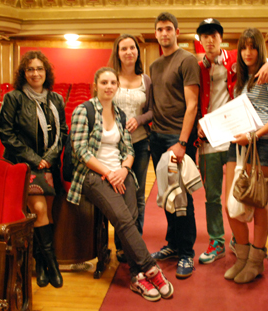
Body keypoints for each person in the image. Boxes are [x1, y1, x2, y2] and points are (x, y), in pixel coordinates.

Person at [67, 67, 173, 302]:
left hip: (120, 173)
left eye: (112, 83)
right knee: (124, 219)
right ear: (96, 85)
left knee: (131, 219)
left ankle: (137, 277)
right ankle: (151, 269)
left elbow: (128, 150)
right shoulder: (83, 111)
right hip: (93, 175)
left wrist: (123, 170)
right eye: (103, 82)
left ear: (117, 86)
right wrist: (108, 172)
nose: (108, 86)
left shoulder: (119, 114)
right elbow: (80, 150)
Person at [195, 18, 268, 264]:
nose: (210, 40)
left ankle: (246, 248)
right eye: (204, 36)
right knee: (218, 196)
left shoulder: (236, 60)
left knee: (250, 196)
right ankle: (218, 241)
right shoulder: (196, 66)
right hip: (215, 136)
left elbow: (265, 62)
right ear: (199, 40)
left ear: (222, 38)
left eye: (214, 35)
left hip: (247, 139)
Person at [0, 50, 67, 288]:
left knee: (45, 213)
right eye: (30, 69)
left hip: (49, 164)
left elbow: (62, 133)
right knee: (38, 210)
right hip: (24, 165)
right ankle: (52, 265)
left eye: (39, 68)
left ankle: (40, 264)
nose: (35, 73)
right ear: (23, 73)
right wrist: (34, 159)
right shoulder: (13, 98)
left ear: (45, 72)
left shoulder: (56, 99)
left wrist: (48, 158)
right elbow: (7, 134)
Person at [224, 28, 268, 284]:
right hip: (238, 143)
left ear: (261, 49)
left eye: (253, 47)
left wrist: (254, 136)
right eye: (243, 47)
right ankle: (241, 256)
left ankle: (255, 261)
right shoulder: (241, 76)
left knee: (257, 202)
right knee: (230, 203)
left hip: (261, 144)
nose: (248, 52)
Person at [149, 12, 200, 279]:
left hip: (177, 138)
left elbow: (192, 105)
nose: (164, 33)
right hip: (157, 137)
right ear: (156, 33)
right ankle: (173, 244)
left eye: (169, 28)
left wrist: (182, 142)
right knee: (167, 196)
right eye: (160, 29)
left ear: (177, 31)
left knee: (182, 197)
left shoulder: (187, 60)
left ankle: (187, 253)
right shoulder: (155, 65)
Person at [108, 34, 153, 263]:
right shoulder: (110, 78)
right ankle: (121, 244)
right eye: (123, 48)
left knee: (138, 195)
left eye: (132, 48)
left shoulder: (145, 79)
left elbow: (153, 109)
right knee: (119, 194)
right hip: (114, 146)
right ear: (117, 52)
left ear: (137, 51)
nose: (128, 52)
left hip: (140, 142)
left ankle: (136, 240)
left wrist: (141, 119)